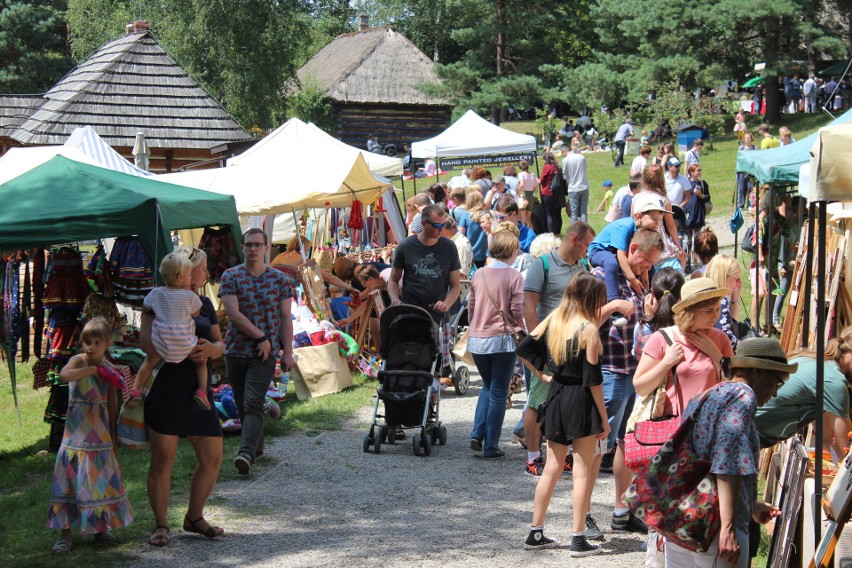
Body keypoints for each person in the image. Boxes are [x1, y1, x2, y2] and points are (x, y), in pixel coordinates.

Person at [667, 337, 794, 568]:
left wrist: (750, 506)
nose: (775, 393)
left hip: (684, 518)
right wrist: (728, 528)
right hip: (713, 527)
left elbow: (700, 459)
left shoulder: (707, 395)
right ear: (755, 371)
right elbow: (727, 461)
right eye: (777, 382)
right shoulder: (744, 397)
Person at [523, 273, 611, 556]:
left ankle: (536, 532)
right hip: (580, 400)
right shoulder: (588, 329)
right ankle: (578, 537)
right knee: (582, 471)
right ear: (591, 299)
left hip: (557, 396)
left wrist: (543, 375)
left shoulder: (554, 319)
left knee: (552, 466)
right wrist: (605, 418)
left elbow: (524, 347)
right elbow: (593, 380)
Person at [144, 247, 225, 546]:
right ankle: (161, 525)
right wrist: (179, 346)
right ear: (187, 273)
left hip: (198, 390)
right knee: (163, 459)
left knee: (213, 457)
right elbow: (147, 345)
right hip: (166, 386)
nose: (204, 274)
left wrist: (212, 350)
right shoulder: (157, 301)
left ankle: (194, 517)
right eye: (201, 269)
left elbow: (219, 342)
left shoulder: (203, 302)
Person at [591, 228, 663, 533]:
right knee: (595, 445)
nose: (648, 268)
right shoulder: (599, 277)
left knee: (625, 444)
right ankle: (583, 514)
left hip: (634, 374)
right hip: (609, 371)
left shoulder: (640, 280)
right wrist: (612, 307)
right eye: (645, 261)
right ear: (631, 248)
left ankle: (622, 511)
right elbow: (585, 321)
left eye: (651, 264)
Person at [49, 318, 133, 553]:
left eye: (97, 342)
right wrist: (93, 370)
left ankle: (100, 528)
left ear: (107, 343)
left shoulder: (110, 369)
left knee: (100, 482)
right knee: (69, 483)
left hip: (99, 437)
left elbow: (112, 404)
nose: (91, 347)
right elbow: (65, 375)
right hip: (75, 437)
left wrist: (114, 436)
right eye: (87, 342)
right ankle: (65, 534)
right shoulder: (78, 360)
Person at [522, 222, 597, 482]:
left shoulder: (582, 267)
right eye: (586, 245)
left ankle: (562, 455)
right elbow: (529, 306)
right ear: (574, 239)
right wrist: (538, 346)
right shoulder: (541, 265)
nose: (587, 251)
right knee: (538, 400)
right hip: (550, 343)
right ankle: (533, 457)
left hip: (577, 347)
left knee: (569, 400)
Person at [220, 228, 295, 476]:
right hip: (236, 350)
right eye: (248, 244)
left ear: (266, 248)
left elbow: (286, 317)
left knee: (253, 401)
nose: (252, 249)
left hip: (265, 354)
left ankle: (245, 453)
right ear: (242, 247)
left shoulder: (280, 280)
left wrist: (287, 352)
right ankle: (257, 446)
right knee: (244, 403)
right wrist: (260, 336)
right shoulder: (230, 276)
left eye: (257, 245)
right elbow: (233, 314)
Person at [633, 277, 734, 426]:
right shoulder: (662, 338)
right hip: (673, 430)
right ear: (690, 312)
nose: (715, 316)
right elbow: (640, 387)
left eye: (717, 309)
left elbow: (734, 385)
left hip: (710, 426)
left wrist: (716, 355)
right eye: (709, 311)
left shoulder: (720, 339)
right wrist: (666, 363)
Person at [468, 231, 525, 459]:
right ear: (512, 251)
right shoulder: (514, 277)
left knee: (488, 386)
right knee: (499, 391)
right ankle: (491, 445)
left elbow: (471, 307)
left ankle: (477, 433)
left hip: (478, 338)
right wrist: (520, 325)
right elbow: (517, 310)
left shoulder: (479, 273)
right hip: (502, 339)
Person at [126, 252, 207, 410]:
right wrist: (193, 293)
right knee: (201, 361)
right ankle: (202, 391)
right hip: (185, 345)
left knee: (148, 362)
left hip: (161, 344)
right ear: (180, 277)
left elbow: (146, 308)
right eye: (189, 275)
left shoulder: (156, 293)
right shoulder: (189, 296)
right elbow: (196, 313)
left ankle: (135, 391)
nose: (191, 278)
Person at [755, 327, 852, 454]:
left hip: (746, 428)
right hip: (746, 431)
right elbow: (848, 447)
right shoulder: (833, 381)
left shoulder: (820, 363)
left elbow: (826, 438)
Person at [388, 203, 462, 369]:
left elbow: (456, 286)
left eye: (444, 225)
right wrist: (394, 299)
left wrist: (446, 303)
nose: (441, 229)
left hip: (437, 315)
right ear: (423, 223)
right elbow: (393, 280)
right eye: (437, 225)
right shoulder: (406, 246)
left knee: (434, 361)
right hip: (411, 313)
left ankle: (433, 388)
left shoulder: (449, 247)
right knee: (410, 356)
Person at [588, 192, 668, 305]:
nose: (657, 224)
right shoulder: (625, 226)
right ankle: (614, 299)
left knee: (651, 268)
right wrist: (632, 279)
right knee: (612, 263)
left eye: (660, 220)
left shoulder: (641, 230)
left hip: (613, 252)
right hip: (599, 251)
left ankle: (654, 297)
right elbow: (621, 255)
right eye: (654, 219)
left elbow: (644, 252)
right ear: (639, 216)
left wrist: (645, 270)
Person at [705, 254, 745, 352]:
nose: (738, 282)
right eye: (736, 277)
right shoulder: (720, 301)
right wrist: (748, 350)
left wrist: (735, 298)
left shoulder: (709, 296)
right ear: (724, 277)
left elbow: (732, 327)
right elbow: (725, 335)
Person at [458, 190, 488, 268]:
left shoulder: (465, 215)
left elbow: (460, 234)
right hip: (485, 255)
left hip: (470, 254)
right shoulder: (487, 216)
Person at [563, 139, 590, 224]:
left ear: (564, 151)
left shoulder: (565, 160)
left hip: (573, 188)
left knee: (574, 213)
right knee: (583, 211)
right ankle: (585, 231)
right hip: (584, 186)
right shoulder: (581, 157)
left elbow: (565, 176)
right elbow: (585, 169)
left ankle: (574, 232)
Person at [538, 152, 564, 236]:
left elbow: (542, 180)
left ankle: (551, 235)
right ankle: (557, 234)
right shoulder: (557, 167)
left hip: (548, 192)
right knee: (558, 214)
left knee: (549, 215)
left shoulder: (547, 167)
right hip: (558, 193)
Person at [683, 163, 711, 232]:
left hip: (699, 213)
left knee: (697, 237)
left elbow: (708, 197)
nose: (700, 172)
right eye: (698, 170)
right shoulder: (686, 183)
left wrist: (701, 195)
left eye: (700, 170)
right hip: (688, 213)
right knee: (688, 240)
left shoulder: (703, 183)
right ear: (692, 172)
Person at [516, 159, 538, 228]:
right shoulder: (532, 174)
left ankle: (523, 235)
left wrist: (518, 193)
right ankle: (532, 235)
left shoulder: (521, 174)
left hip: (524, 195)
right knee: (529, 219)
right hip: (531, 196)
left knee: (523, 218)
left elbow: (522, 184)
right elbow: (536, 188)